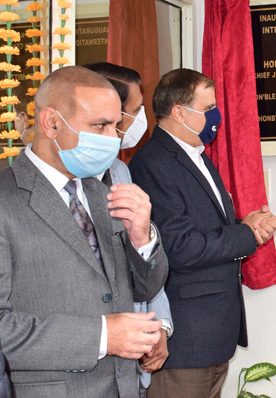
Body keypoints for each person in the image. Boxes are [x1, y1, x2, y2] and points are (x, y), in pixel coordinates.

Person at [0, 66, 168, 397]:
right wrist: (102, 336)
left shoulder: (102, 189)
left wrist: (142, 239)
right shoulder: (6, 199)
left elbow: (143, 287)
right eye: (99, 126)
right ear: (51, 123)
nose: (113, 139)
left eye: (115, 126)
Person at [128, 68, 276, 398]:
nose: (215, 115)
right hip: (186, 340)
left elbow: (203, 225)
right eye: (208, 107)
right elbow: (179, 248)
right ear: (180, 112)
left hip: (212, 333)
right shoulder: (155, 162)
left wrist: (247, 223)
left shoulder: (194, 154)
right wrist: (246, 234)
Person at [84, 62, 173, 398]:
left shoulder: (120, 170)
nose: (139, 120)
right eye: (134, 111)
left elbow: (143, 256)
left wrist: (159, 327)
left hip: (130, 363)